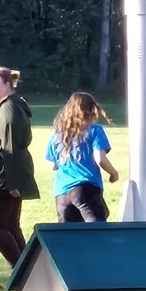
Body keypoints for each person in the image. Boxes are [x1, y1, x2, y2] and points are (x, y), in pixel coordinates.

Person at [0, 66, 40, 268]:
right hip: (9, 173)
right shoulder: (12, 106)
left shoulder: (8, 109)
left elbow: (10, 146)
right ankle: (29, 271)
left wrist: (13, 182)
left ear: (8, 84)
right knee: (10, 226)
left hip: (3, 175)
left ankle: (21, 272)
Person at [45, 92, 119, 223]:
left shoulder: (55, 135)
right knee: (97, 232)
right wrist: (113, 174)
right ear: (91, 110)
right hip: (85, 187)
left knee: (69, 237)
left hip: (61, 191)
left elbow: (53, 165)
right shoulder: (94, 130)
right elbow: (100, 159)